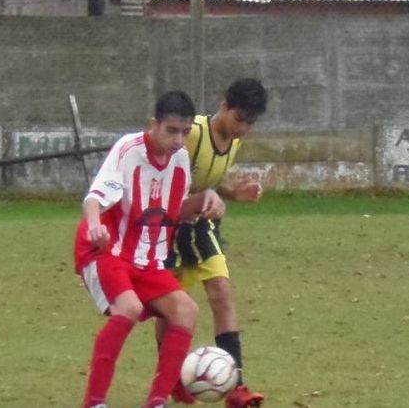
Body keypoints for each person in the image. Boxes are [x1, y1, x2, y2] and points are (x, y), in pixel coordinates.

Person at [74, 90, 226, 408]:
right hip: (107, 249)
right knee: (127, 307)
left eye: (185, 132)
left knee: (186, 310)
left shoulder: (181, 160)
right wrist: (95, 224)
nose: (178, 140)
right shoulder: (128, 149)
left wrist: (205, 200)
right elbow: (94, 197)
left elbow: (173, 210)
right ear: (153, 125)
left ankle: (157, 401)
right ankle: (94, 402)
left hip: (148, 259)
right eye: (171, 130)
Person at [163, 78, 268, 408]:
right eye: (239, 118)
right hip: (166, 226)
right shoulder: (190, 133)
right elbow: (161, 175)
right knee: (170, 310)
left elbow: (210, 181)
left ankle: (236, 386)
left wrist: (233, 193)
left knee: (221, 290)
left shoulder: (234, 142)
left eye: (250, 123)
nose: (243, 128)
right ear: (224, 106)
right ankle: (170, 381)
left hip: (200, 226)